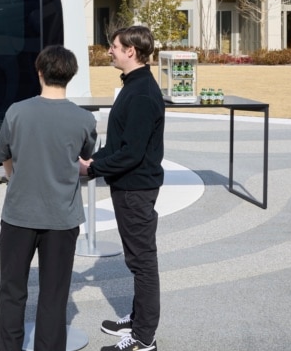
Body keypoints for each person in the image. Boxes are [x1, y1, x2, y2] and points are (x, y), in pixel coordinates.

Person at [0, 45, 97, 351]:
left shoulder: (17, 111)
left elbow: (5, 158)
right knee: (54, 294)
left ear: (39, 72)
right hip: (62, 218)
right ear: (71, 75)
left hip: (18, 214)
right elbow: (84, 160)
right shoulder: (83, 119)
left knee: (12, 291)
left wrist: (17, 178)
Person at [80, 26, 165, 351]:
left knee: (142, 262)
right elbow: (118, 143)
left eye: (114, 46)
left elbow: (131, 152)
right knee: (136, 258)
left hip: (136, 189)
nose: (110, 51)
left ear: (131, 51)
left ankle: (144, 338)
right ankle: (137, 319)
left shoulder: (142, 93)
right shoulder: (134, 86)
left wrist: (94, 167)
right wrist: (92, 161)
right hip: (129, 187)